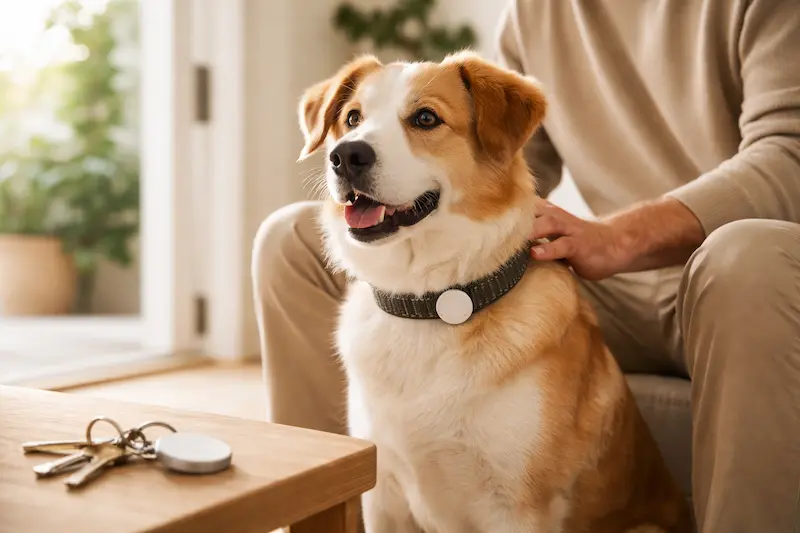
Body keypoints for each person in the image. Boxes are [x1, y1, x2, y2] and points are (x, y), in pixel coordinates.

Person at [252, 1, 800, 531]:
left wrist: (617, 237)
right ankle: (322, 520)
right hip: (608, 282)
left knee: (741, 259)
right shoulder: (537, 11)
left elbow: (788, 158)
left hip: (729, 279)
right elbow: (499, 160)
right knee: (290, 238)